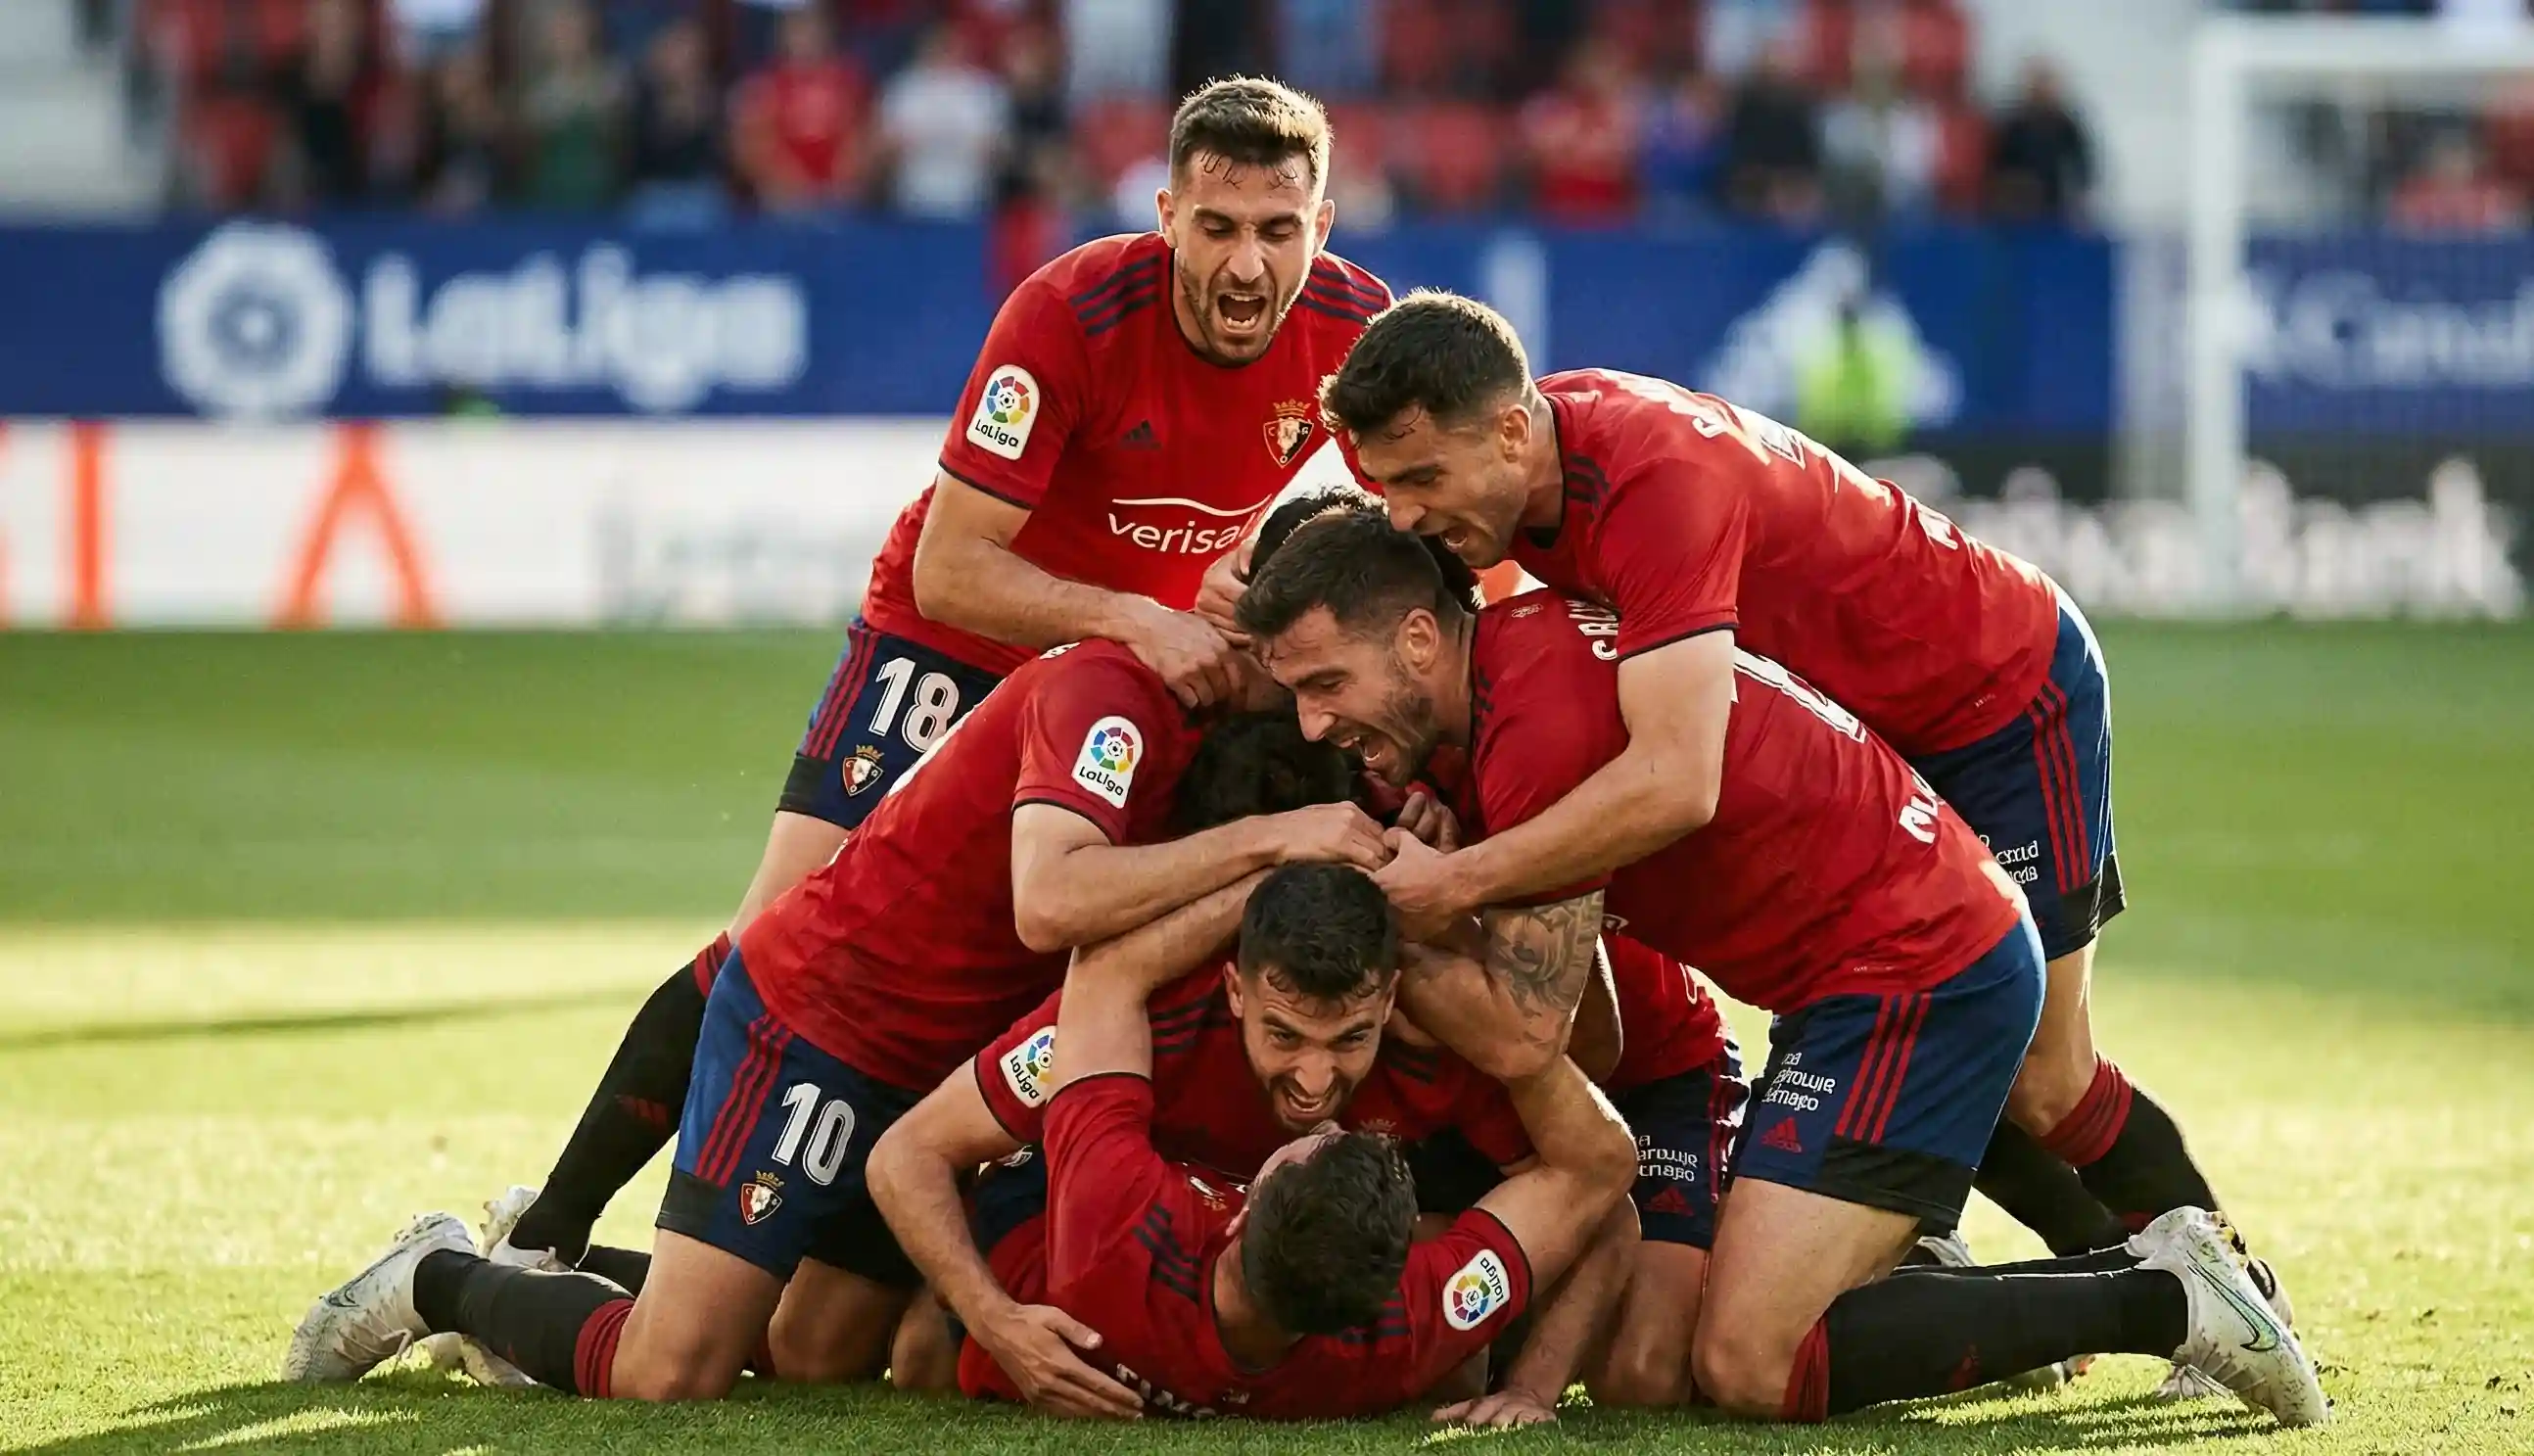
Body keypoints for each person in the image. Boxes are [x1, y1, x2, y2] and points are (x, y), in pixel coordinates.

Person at [460, 77, 1390, 1332]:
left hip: (1125, 676)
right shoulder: (1068, 311)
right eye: (1216, 226)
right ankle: (545, 1229)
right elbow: (957, 566)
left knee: (1025, 957)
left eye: (1276, 231)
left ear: (1321, 227)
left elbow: (1398, 530)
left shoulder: (1354, 331)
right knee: (779, 944)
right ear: (1166, 212)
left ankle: (802, 1262)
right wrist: (1131, 612)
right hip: (955, 640)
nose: (1245, 262)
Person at [1235, 504, 2329, 1428]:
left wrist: (1402, 920)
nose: (1314, 721)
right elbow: (1596, 1038)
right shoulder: (1512, 687)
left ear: (1420, 638)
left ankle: (2167, 1293)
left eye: (1328, 681)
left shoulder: (1532, 725)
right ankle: (1985, 1277)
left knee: (1750, 1361)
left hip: (1914, 959)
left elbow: (1524, 1036)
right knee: (1744, 1331)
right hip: (1865, 964)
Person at [1315, 291, 2261, 1334]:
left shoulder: (1648, 480)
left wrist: (1462, 878)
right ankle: (2098, 1279)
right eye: (1384, 485)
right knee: (1941, 1023)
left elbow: (1678, 780)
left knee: (2038, 1070)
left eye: (1418, 478)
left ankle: (2219, 1290)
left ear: (1505, 430)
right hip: (1882, 728)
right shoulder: (1532, 475)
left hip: (1996, 697)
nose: (1401, 513)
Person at [282, 647, 1391, 1401]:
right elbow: (1052, 905)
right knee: (675, 1368)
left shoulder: (1255, 751)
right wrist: (1273, 848)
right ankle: (432, 1275)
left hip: (938, 1058)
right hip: (830, 1016)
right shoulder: (1111, 696)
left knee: (816, 1351)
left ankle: (570, 1261)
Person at [939, 863, 1642, 1423]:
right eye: (1287, 1035)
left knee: (921, 1355)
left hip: (1053, 1259)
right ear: (1394, 1280)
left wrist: (1276, 864)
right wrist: (1499, 1024)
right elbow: (1601, 1167)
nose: (1315, 1094)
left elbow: (1101, 967)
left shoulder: (1109, 1226)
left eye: (1350, 1036)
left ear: (1237, 1205)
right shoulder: (1397, 1342)